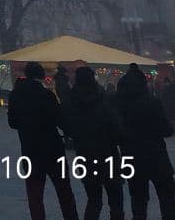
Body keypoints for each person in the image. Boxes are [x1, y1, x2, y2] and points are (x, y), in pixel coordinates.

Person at [8, 61, 79, 220]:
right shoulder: (46, 95)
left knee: (35, 196)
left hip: (30, 150)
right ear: (41, 77)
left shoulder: (15, 95)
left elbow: (12, 123)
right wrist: (76, 134)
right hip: (52, 150)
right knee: (64, 191)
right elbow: (60, 119)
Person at [61, 66, 124, 220]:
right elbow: (116, 127)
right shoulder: (104, 100)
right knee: (115, 198)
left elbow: (66, 125)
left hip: (85, 154)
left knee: (94, 199)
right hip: (107, 152)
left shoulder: (71, 102)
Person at [115, 63, 175, 220]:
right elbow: (166, 130)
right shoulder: (152, 102)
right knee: (167, 197)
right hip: (156, 156)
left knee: (138, 199)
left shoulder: (118, 106)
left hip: (131, 158)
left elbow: (114, 133)